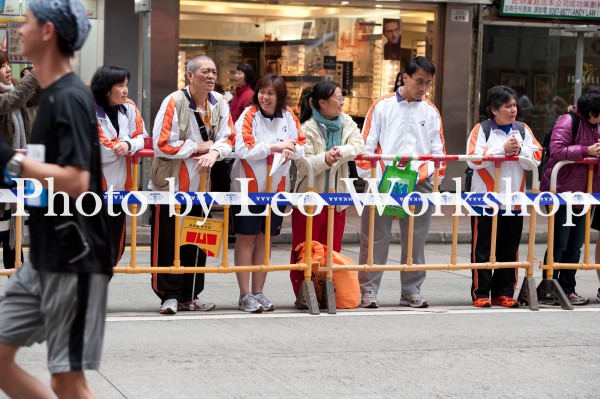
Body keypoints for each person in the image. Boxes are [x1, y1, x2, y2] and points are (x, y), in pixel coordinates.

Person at [0, 1, 113, 398]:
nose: (20, 31)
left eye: (27, 23)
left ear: (48, 32)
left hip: (76, 257)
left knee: (68, 380)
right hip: (46, 254)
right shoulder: (48, 95)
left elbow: (78, 181)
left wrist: (9, 160)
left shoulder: (69, 96)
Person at [356, 56, 445, 309]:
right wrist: (371, 178)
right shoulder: (381, 106)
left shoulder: (430, 110)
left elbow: (439, 150)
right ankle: (368, 291)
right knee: (374, 237)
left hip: (419, 181)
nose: (422, 88)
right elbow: (366, 146)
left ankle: (411, 290)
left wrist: (431, 179)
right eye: (418, 81)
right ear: (404, 77)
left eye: (427, 83)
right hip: (382, 179)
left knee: (416, 239)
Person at [150, 55, 234, 315]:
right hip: (172, 186)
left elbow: (229, 137)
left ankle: (192, 294)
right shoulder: (173, 102)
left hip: (202, 187)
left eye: (214, 73)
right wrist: (199, 147)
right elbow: (162, 143)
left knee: (198, 240)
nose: (211, 77)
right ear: (190, 76)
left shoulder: (219, 102)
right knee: (168, 242)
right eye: (205, 72)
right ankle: (169, 295)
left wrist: (214, 153)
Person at [231, 74, 306, 312]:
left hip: (277, 188)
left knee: (265, 238)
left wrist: (291, 149)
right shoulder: (249, 115)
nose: (265, 97)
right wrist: (275, 146)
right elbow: (242, 147)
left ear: (280, 96)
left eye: (271, 93)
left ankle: (259, 291)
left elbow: (301, 144)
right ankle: (245, 294)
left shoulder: (289, 116)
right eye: (262, 92)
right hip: (247, 188)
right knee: (246, 238)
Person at [467, 85, 542, 308]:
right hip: (484, 201)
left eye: (514, 105)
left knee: (509, 248)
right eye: (507, 106)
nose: (513, 110)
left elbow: (537, 155)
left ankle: (504, 292)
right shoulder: (481, 130)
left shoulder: (522, 129)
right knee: (482, 248)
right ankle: (480, 293)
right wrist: (502, 150)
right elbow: (472, 158)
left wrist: (520, 151)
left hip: (514, 201)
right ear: (494, 110)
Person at [290, 80, 365, 296]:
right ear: (322, 102)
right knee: (305, 249)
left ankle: (326, 292)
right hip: (310, 200)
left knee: (332, 249)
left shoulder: (347, 122)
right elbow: (304, 165)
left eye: (342, 98)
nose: (342, 102)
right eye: (338, 98)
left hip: (337, 199)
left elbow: (360, 145)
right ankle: (304, 293)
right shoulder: (306, 128)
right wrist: (326, 158)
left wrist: (340, 151)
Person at [541, 86, 600, 306]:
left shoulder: (596, 125)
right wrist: (587, 151)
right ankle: (549, 287)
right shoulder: (567, 121)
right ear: (592, 113)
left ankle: (567, 289)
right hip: (562, 192)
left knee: (576, 243)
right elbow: (557, 150)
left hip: (585, 194)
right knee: (559, 241)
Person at [91, 65, 148, 266]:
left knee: (114, 247)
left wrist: (128, 144)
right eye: (120, 85)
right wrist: (123, 145)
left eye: (126, 85)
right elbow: (102, 149)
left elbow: (142, 137)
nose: (125, 90)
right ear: (106, 88)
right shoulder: (88, 108)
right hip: (91, 190)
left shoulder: (130, 107)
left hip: (120, 189)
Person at [0, 51, 30, 270]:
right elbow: (14, 100)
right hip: (3, 175)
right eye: (2, 66)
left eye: (9, 64)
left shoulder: (14, 93)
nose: (8, 69)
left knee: (13, 232)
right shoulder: (9, 100)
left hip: (13, 177)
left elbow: (28, 95)